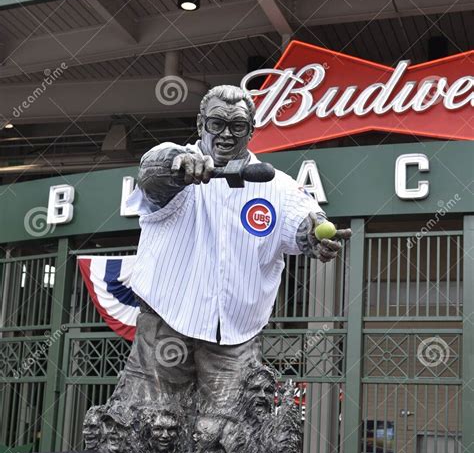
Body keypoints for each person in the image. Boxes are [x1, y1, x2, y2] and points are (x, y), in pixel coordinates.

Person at [115, 84, 351, 415]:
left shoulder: (277, 185)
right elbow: (151, 172)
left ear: (251, 131)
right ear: (200, 125)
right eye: (217, 124)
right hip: (165, 325)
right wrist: (178, 164)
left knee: (231, 433)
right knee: (147, 424)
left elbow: (305, 222)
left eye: (237, 126)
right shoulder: (178, 167)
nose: (226, 134)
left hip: (236, 337)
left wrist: (313, 236)